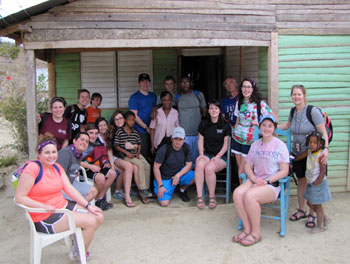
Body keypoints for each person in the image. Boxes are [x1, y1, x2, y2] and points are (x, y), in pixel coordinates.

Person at [15, 133, 104, 260]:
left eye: (53, 152)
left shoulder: (56, 167)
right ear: (39, 154)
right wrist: (43, 206)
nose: (51, 156)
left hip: (61, 206)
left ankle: (77, 248)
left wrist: (88, 205)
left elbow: (69, 188)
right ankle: (80, 253)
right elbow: (19, 197)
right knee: (90, 222)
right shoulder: (32, 169)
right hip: (44, 215)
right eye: (47, 153)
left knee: (98, 215)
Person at [232, 115, 289, 246]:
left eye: (270, 126)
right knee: (238, 193)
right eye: (264, 125)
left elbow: (284, 171)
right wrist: (253, 178)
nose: (266, 128)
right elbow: (247, 165)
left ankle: (256, 233)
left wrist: (267, 180)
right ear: (260, 127)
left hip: (272, 184)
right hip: (255, 179)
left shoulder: (280, 146)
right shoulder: (255, 145)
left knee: (250, 196)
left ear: (274, 128)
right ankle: (247, 229)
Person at [279, 84, 329, 228]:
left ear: (304, 95)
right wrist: (268, 126)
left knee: (311, 183)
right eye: (294, 94)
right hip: (298, 154)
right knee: (301, 181)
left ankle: (312, 215)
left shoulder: (312, 111)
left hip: (312, 155)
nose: (296, 97)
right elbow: (288, 125)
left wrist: (326, 149)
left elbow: (323, 132)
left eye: (299, 94)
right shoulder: (293, 111)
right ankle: (302, 210)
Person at [232, 78, 277, 180]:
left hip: (250, 141)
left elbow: (274, 120)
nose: (246, 89)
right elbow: (237, 120)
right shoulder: (239, 102)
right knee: (240, 171)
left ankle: (244, 193)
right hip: (237, 139)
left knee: (242, 171)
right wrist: (234, 133)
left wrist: (260, 123)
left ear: (253, 89)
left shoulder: (260, 104)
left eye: (248, 87)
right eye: (244, 87)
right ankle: (243, 193)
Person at [195, 100, 231, 209]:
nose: (213, 110)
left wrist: (218, 156)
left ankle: (212, 197)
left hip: (221, 156)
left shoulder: (225, 125)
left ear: (220, 110)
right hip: (207, 154)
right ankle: (200, 196)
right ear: (208, 111)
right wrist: (201, 154)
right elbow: (200, 140)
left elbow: (226, 145)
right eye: (211, 108)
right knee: (199, 164)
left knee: (209, 169)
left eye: (216, 108)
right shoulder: (204, 123)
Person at [114, 111, 152, 204]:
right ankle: (142, 189)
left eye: (133, 121)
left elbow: (139, 143)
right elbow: (116, 146)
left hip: (136, 154)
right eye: (130, 120)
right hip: (125, 156)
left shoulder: (135, 131)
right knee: (139, 165)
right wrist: (126, 152)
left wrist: (138, 153)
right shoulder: (120, 131)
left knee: (147, 165)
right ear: (126, 120)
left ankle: (146, 188)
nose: (132, 122)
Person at [153, 127, 194, 206]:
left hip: (178, 174)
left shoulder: (186, 148)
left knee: (195, 175)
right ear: (172, 138)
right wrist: (160, 185)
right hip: (165, 177)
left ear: (184, 139)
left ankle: (182, 190)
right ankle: (169, 188)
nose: (178, 142)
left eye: (180, 139)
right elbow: (156, 167)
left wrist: (178, 175)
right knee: (164, 203)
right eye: (176, 139)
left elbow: (189, 165)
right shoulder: (164, 149)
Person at [81, 123, 116, 211]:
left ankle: (99, 199)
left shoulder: (98, 143)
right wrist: (90, 166)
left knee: (112, 173)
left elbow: (104, 157)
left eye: (96, 133)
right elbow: (76, 161)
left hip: (97, 167)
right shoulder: (82, 144)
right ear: (86, 133)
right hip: (85, 169)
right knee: (100, 178)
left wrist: (106, 162)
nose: (94, 135)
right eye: (91, 133)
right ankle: (92, 200)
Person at [107, 111, 138, 207]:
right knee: (128, 166)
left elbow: (135, 143)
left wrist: (133, 147)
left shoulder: (128, 130)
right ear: (113, 121)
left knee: (135, 167)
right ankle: (127, 196)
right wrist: (112, 164)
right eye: (116, 119)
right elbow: (109, 150)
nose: (119, 121)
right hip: (114, 157)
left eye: (120, 118)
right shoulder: (112, 132)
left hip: (123, 156)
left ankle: (123, 190)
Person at [304, 131, 332, 234]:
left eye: (314, 142)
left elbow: (323, 172)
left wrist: (317, 183)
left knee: (317, 205)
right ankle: (324, 217)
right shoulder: (310, 152)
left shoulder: (320, 156)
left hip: (318, 184)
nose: (312, 144)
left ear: (320, 144)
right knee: (309, 202)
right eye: (310, 142)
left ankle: (320, 226)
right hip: (311, 183)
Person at [57, 132, 98, 202]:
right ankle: (76, 208)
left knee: (93, 191)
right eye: (82, 140)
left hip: (71, 183)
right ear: (74, 141)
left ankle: (79, 208)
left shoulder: (78, 155)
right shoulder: (65, 153)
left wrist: (74, 173)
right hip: (60, 187)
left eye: (87, 141)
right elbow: (58, 176)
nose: (84, 142)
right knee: (76, 198)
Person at [176, 76, 207, 166]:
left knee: (197, 161)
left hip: (197, 134)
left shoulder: (198, 95)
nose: (185, 84)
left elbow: (204, 110)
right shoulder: (177, 97)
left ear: (191, 83)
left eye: (187, 82)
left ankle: (196, 179)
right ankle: (185, 179)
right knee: (184, 161)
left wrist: (202, 125)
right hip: (183, 135)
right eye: (182, 82)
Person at [128, 73, 157, 159]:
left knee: (154, 153)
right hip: (141, 131)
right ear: (139, 83)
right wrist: (145, 127)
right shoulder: (134, 97)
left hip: (153, 130)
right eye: (143, 82)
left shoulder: (153, 96)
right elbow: (134, 115)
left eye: (147, 81)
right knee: (143, 155)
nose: (145, 84)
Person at [150, 91, 179, 155]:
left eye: (168, 100)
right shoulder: (156, 112)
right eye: (164, 100)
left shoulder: (175, 112)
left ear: (171, 100)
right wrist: (152, 145)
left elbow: (178, 129)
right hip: (158, 143)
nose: (166, 102)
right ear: (161, 100)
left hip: (172, 143)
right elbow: (152, 129)